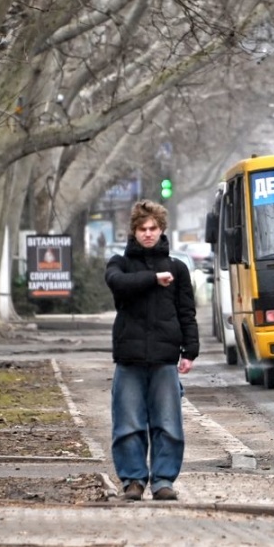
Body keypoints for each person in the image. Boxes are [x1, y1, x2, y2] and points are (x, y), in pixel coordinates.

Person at [105, 200, 199, 501]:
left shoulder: (177, 269)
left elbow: (187, 313)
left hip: (164, 359)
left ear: (161, 230)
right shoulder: (119, 263)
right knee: (128, 423)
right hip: (129, 358)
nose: (148, 234)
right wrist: (153, 279)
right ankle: (133, 480)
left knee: (168, 423)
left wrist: (190, 352)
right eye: (142, 229)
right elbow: (118, 284)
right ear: (133, 231)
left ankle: (163, 481)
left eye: (153, 228)